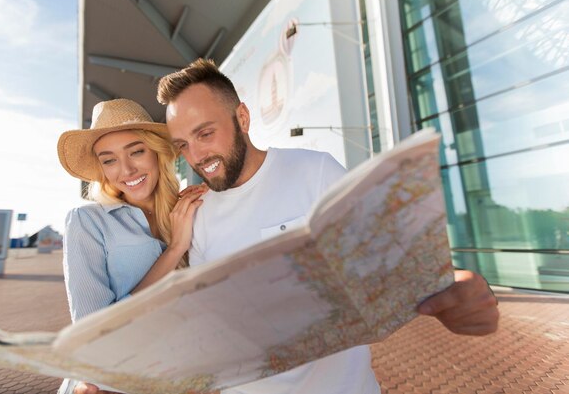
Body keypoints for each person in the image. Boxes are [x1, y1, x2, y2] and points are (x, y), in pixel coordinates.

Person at [156, 58, 500, 394]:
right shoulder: (198, 215)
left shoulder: (315, 172)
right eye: (183, 145)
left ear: (242, 118)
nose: (196, 155)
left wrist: (453, 287)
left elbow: (392, 255)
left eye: (205, 134)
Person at [56, 98, 207, 394]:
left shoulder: (191, 209)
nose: (125, 169)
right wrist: (175, 249)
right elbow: (94, 332)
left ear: (156, 152)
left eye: (136, 151)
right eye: (108, 159)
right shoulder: (86, 222)